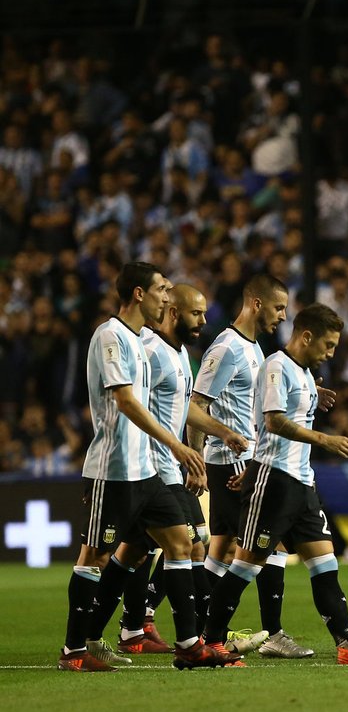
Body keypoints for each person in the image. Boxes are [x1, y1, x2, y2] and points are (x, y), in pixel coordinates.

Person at [59, 262, 234, 671]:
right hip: (114, 468)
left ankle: (189, 645)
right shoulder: (111, 336)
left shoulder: (139, 342)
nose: (166, 297)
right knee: (95, 558)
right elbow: (125, 401)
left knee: (181, 542)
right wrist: (177, 446)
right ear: (139, 293)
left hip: (146, 470)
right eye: (161, 289)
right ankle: (74, 652)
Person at [200, 304, 348, 665]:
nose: (331, 353)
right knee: (244, 565)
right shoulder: (276, 365)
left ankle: (347, 643)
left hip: (301, 483)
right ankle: (209, 641)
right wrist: (324, 440)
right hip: (275, 482)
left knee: (325, 562)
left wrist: (312, 398)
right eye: (329, 344)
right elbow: (273, 422)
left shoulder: (303, 373)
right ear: (306, 336)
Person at [111, 282, 262, 657]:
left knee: (153, 549)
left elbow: (183, 408)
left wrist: (222, 431)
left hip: (168, 465)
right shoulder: (149, 350)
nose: (204, 321)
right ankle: (199, 636)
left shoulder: (178, 354)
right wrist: (185, 451)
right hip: (148, 467)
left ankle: (139, 627)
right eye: (197, 313)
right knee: (184, 544)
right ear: (174, 312)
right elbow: (132, 407)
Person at [192, 274, 313, 658]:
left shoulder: (255, 348)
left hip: (246, 460)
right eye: (279, 308)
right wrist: (197, 461)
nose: (283, 316)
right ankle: (271, 634)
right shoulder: (226, 347)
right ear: (256, 304)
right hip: (230, 462)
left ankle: (198, 633)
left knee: (223, 550)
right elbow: (195, 406)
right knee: (266, 543)